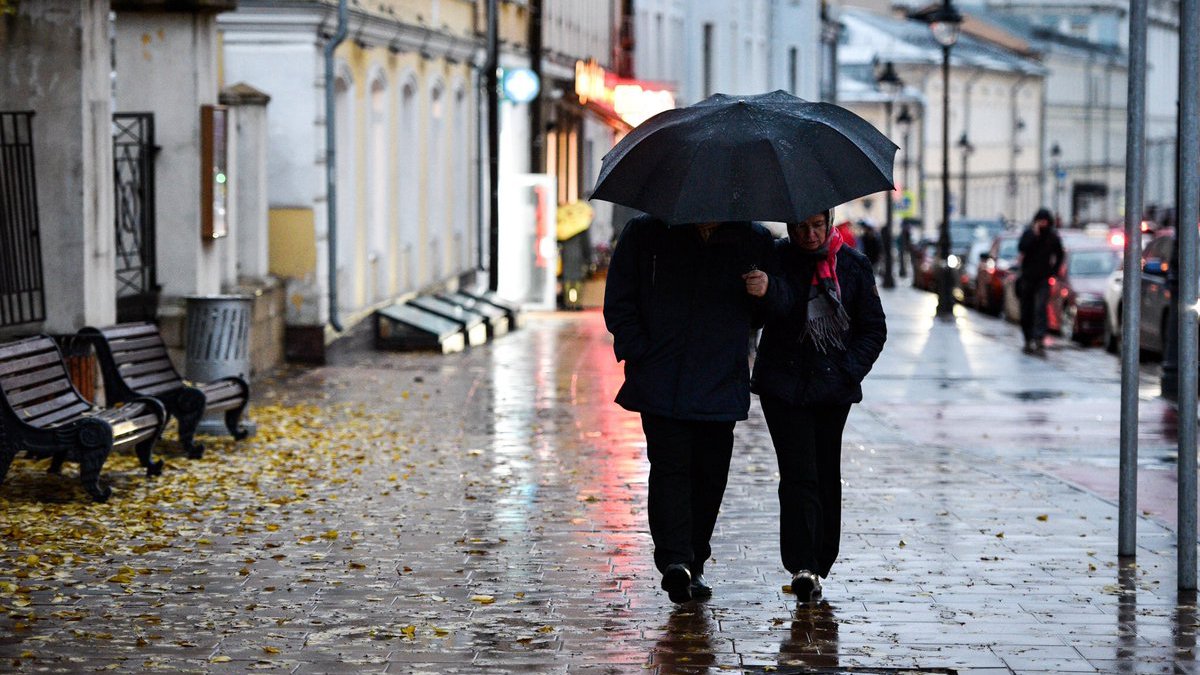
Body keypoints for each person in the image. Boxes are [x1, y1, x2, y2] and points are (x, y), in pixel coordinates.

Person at [604, 215, 777, 604]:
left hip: (721, 379)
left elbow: (767, 312)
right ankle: (675, 562)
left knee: (709, 477)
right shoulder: (647, 232)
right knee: (669, 469)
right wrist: (638, 350)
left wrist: (764, 291)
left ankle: (694, 561)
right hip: (662, 376)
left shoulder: (752, 238)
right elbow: (619, 298)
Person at [743, 208, 886, 603]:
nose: (809, 235)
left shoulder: (853, 265)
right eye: (801, 227)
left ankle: (821, 558)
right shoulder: (776, 258)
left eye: (816, 226)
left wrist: (847, 371)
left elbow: (873, 328)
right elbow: (757, 317)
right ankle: (802, 565)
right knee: (797, 473)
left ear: (828, 221)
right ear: (790, 227)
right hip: (783, 385)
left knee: (825, 471)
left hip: (831, 386)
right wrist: (764, 290)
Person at [1016, 208, 1064, 355]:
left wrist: (1053, 272)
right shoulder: (1029, 234)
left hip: (1043, 278)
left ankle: (1038, 337)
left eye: (1045, 222)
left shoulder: (1052, 237)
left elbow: (1060, 255)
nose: (1043, 224)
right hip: (1027, 277)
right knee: (1027, 309)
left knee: (1040, 308)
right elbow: (1022, 248)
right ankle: (1028, 337)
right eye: (1040, 221)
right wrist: (1034, 235)